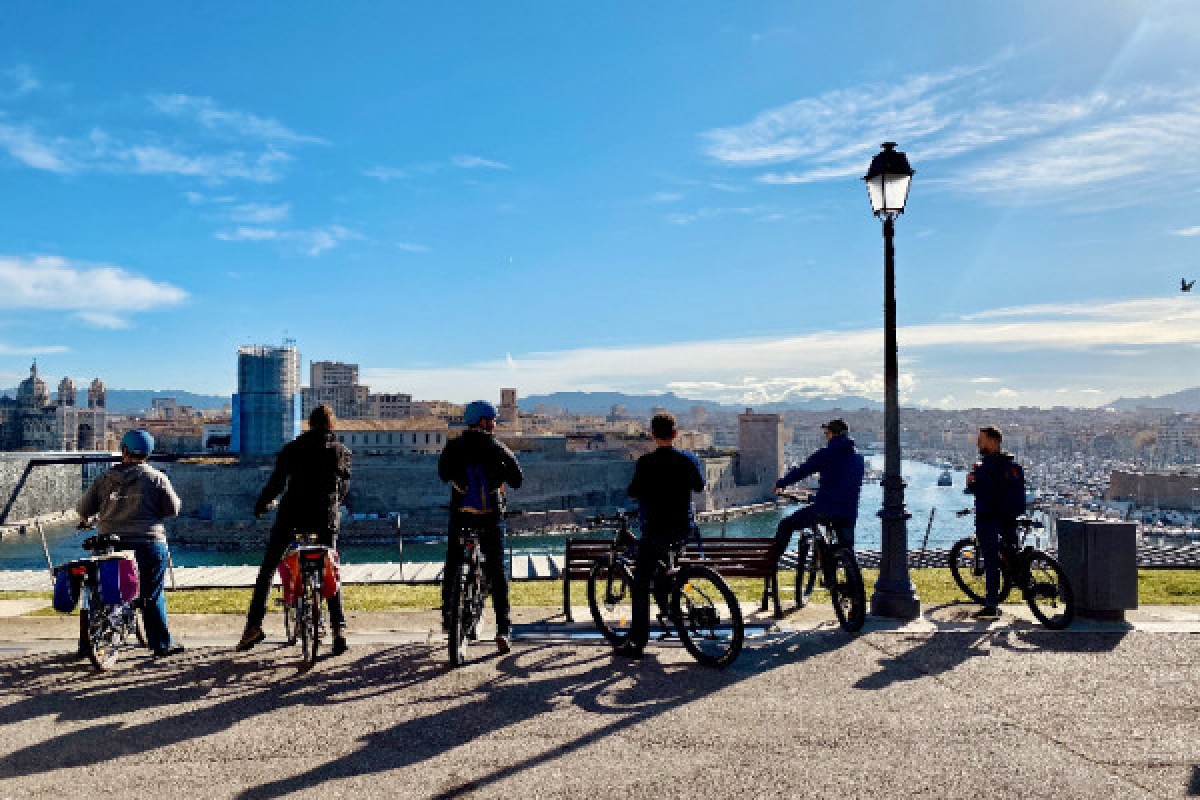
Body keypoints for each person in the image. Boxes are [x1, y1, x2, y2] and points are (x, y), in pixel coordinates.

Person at [236, 404, 352, 654]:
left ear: (309, 424)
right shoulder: (341, 452)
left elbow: (277, 482)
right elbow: (343, 489)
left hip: (293, 515)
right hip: (325, 518)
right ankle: (339, 629)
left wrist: (262, 505)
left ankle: (254, 626)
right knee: (330, 568)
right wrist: (334, 504)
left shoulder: (294, 448)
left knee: (267, 569)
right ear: (332, 425)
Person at [77, 428, 184, 657]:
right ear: (148, 453)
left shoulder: (105, 478)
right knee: (152, 594)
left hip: (110, 543)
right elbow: (173, 510)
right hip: (148, 543)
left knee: (101, 589)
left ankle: (88, 642)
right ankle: (161, 644)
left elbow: (84, 509)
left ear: (123, 450)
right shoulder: (156, 478)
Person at [614, 412, 705, 660]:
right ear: (675, 434)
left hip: (655, 532)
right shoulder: (689, 460)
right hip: (683, 530)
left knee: (640, 584)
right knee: (664, 569)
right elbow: (699, 487)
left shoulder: (645, 464)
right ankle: (667, 607)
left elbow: (633, 492)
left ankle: (637, 642)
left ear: (652, 435)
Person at [438, 400, 523, 653]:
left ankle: (447, 615)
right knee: (497, 570)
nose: (495, 424)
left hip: (461, 514)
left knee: (453, 562)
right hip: (490, 516)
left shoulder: (454, 447)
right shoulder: (497, 448)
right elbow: (518, 479)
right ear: (485, 422)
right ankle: (503, 629)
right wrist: (498, 478)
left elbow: (443, 474)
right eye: (493, 420)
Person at [772, 418, 865, 560]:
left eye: (827, 433)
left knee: (786, 525)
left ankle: (771, 563)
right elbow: (845, 486)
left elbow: (803, 471)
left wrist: (782, 483)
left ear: (833, 434)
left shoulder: (826, 454)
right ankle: (853, 579)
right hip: (849, 511)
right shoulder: (858, 458)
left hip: (825, 509)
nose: (826, 436)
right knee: (847, 550)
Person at [964, 425, 1023, 620]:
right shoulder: (1009, 464)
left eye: (981, 439)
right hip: (1009, 516)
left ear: (993, 441)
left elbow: (985, 494)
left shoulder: (987, 467)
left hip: (988, 517)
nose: (977, 443)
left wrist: (971, 483)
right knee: (1011, 554)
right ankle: (1026, 585)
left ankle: (991, 605)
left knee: (990, 560)